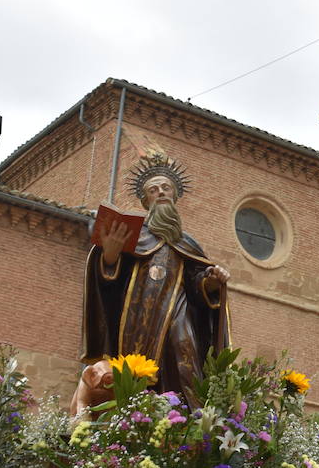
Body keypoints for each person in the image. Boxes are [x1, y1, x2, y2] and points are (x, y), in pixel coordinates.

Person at [81, 150, 229, 407]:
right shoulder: (133, 235)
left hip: (178, 311)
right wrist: (111, 255)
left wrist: (212, 281)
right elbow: (108, 287)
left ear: (175, 195)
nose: (160, 192)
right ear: (145, 201)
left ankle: (187, 416)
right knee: (135, 372)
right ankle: (137, 417)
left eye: (166, 188)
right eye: (153, 190)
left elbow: (196, 284)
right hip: (136, 318)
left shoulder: (187, 243)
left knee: (183, 351)